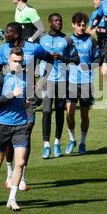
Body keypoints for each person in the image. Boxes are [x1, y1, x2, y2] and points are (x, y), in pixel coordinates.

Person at [0, 22, 52, 191]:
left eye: (8, 32)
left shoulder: (34, 48)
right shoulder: (3, 49)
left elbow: (49, 59)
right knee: (10, 136)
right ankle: (10, 173)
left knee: (25, 134)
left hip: (28, 98)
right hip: (10, 98)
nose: (5, 35)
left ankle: (22, 176)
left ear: (16, 34)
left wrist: (42, 79)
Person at [0, 47, 30, 211]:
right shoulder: (1, 77)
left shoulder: (27, 77)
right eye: (15, 61)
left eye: (20, 61)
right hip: (3, 125)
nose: (18, 64)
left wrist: (28, 101)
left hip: (20, 125)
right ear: (8, 61)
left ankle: (12, 199)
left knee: (20, 162)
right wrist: (12, 95)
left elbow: (31, 98)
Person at [38, 13, 79, 158]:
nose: (58, 23)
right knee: (47, 111)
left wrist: (62, 58)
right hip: (47, 80)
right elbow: (35, 54)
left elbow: (76, 59)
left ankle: (57, 142)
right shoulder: (42, 38)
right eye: (55, 21)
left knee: (60, 112)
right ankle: (46, 145)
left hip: (62, 80)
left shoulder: (67, 39)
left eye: (60, 21)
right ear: (49, 22)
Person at [65, 12, 99, 155]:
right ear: (73, 25)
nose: (81, 27)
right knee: (70, 113)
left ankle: (83, 142)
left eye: (83, 25)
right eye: (78, 25)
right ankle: (72, 139)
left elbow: (97, 59)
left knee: (84, 115)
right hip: (71, 82)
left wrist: (91, 69)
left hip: (86, 82)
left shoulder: (91, 41)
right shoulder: (67, 41)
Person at [87, 0, 107, 106]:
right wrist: (94, 31)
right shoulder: (94, 15)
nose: (94, 1)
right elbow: (89, 30)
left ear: (102, 1)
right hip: (100, 47)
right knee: (98, 70)